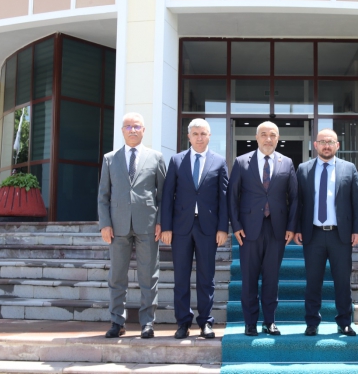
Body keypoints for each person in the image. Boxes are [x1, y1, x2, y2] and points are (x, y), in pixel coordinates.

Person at [98, 112, 166, 339]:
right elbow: (103, 195)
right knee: (117, 276)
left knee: (149, 276)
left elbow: (163, 196)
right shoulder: (110, 159)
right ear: (122, 131)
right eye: (128, 126)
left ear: (144, 130)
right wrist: (105, 224)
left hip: (148, 225)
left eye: (137, 126)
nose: (133, 130)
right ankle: (117, 322)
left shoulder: (156, 158)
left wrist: (161, 221)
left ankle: (148, 323)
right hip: (117, 226)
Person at [228, 121, 298, 336]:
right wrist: (235, 225)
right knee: (249, 278)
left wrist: (291, 226)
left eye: (273, 135)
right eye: (264, 134)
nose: (268, 139)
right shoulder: (241, 162)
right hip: (248, 230)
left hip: (277, 229)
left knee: (271, 278)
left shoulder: (287, 162)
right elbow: (232, 196)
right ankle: (250, 322)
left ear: (278, 138)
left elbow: (295, 197)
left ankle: (269, 321)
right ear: (257, 137)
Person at [160, 118, 229, 339]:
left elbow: (224, 198)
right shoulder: (176, 160)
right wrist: (166, 227)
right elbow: (167, 196)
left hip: (208, 228)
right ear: (188, 136)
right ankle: (183, 322)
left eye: (203, 133)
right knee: (181, 277)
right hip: (181, 228)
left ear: (209, 136)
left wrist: (223, 228)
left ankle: (206, 322)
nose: (199, 137)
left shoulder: (219, 161)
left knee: (206, 277)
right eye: (195, 134)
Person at [294, 129, 358, 337]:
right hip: (312, 234)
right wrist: (296, 228)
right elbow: (297, 202)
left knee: (342, 281)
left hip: (340, 235)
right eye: (322, 141)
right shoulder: (303, 169)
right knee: (313, 281)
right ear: (315, 145)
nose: (326, 145)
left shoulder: (349, 168)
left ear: (337, 145)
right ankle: (312, 322)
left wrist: (357, 230)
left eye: (330, 141)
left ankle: (344, 322)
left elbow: (357, 202)